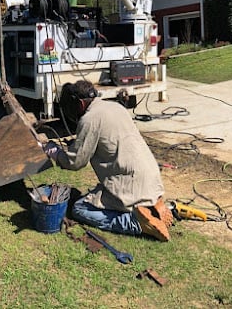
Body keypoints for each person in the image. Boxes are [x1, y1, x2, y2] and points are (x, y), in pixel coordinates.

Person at [43, 80, 173, 241]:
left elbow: (76, 163)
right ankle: (154, 204)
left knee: (79, 209)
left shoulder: (89, 119)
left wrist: (54, 152)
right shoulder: (116, 107)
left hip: (130, 183)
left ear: (81, 103)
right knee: (99, 192)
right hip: (151, 179)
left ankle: (134, 222)